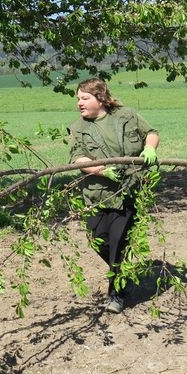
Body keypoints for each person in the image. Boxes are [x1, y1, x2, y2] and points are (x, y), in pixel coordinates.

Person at [68, 78, 159, 314]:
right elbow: (77, 158)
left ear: (101, 98)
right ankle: (122, 272)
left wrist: (150, 147)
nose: (80, 103)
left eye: (84, 98)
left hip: (128, 191)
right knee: (99, 241)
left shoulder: (126, 115)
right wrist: (101, 170)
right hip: (96, 196)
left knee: (118, 243)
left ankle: (116, 294)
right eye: (78, 98)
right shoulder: (78, 127)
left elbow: (150, 132)